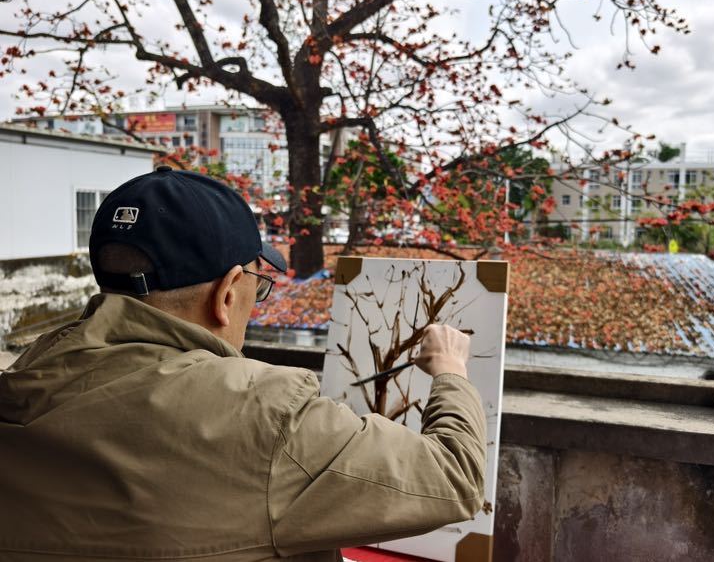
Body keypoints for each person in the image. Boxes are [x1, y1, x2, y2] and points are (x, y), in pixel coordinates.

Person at [0, 167, 486, 561]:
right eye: (260, 285)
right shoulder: (265, 414)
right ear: (228, 294)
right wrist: (450, 372)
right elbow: (454, 477)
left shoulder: (24, 380)